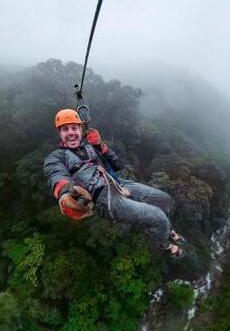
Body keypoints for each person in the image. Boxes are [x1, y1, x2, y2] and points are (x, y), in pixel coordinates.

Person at [43, 109, 186, 258]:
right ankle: (165, 244)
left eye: (74, 128)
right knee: (158, 216)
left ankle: (166, 230)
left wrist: (101, 146)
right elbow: (56, 175)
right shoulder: (56, 157)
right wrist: (66, 192)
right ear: (59, 133)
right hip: (103, 198)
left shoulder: (90, 147)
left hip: (116, 182)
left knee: (164, 199)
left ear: (80, 129)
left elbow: (117, 165)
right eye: (65, 129)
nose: (71, 133)